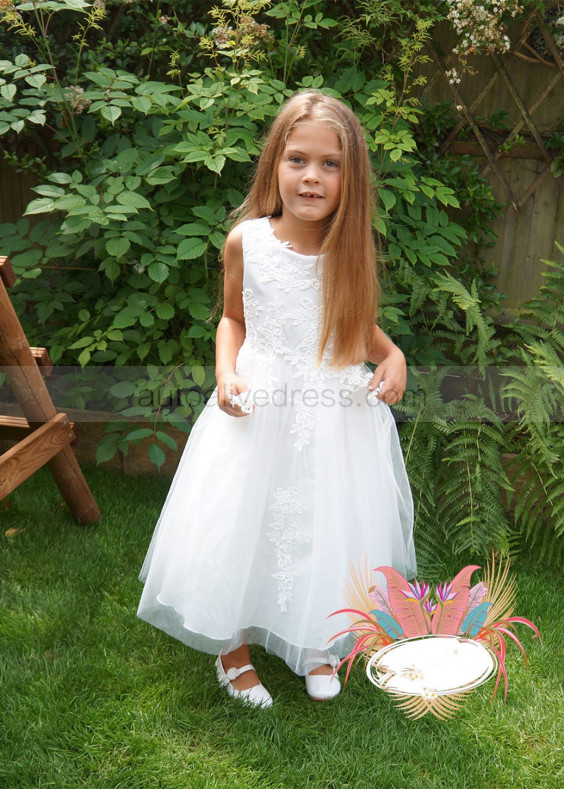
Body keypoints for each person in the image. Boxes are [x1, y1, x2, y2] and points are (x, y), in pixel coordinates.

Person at [137, 90, 416, 708]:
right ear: (274, 165)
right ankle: (231, 647)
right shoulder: (248, 243)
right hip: (260, 406)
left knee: (323, 519)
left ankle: (315, 636)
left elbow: (361, 333)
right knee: (243, 521)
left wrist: (393, 357)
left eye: (330, 164)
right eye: (297, 159)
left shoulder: (351, 252)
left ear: (352, 178)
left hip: (331, 417)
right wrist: (226, 372)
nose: (311, 176)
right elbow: (233, 319)